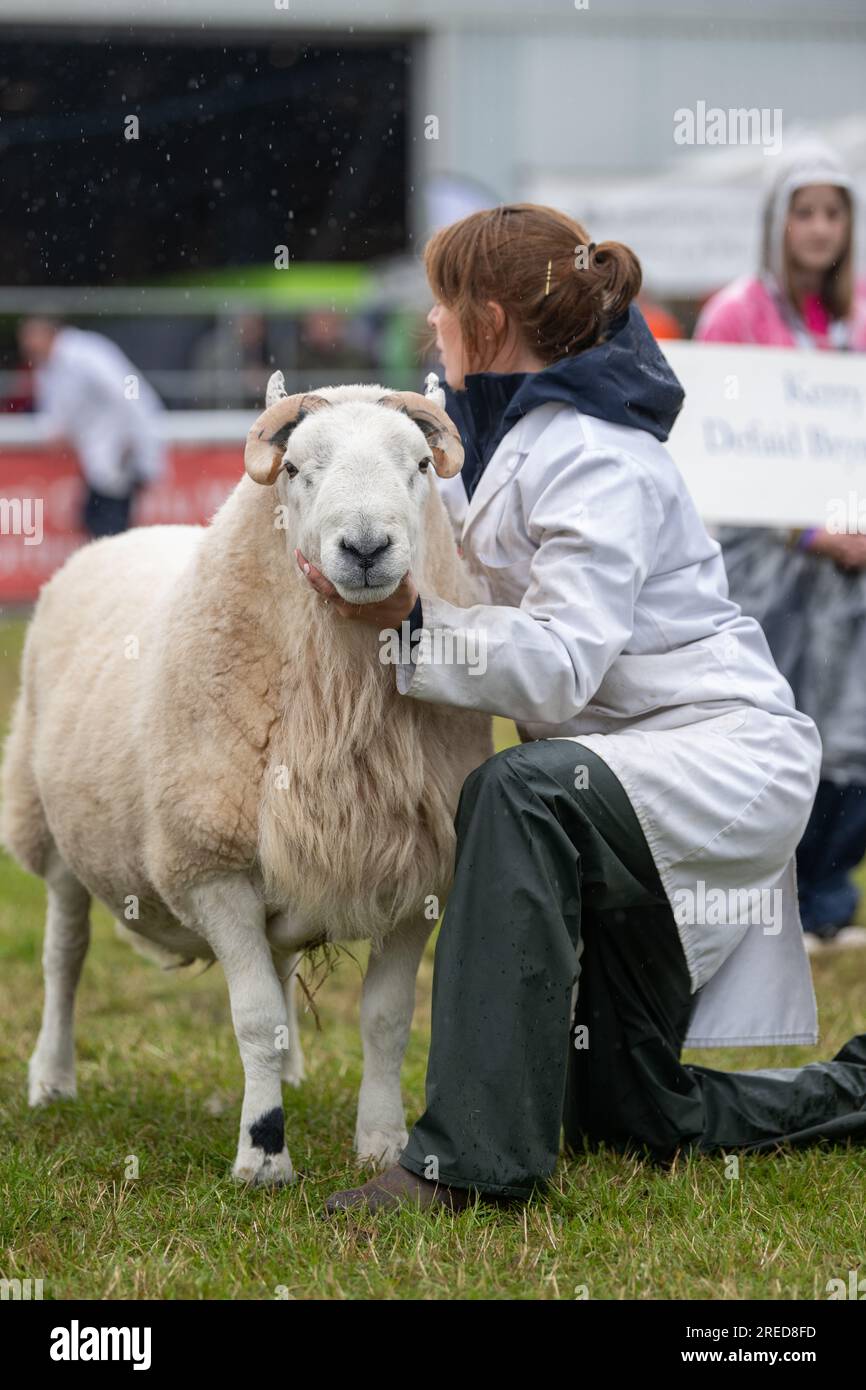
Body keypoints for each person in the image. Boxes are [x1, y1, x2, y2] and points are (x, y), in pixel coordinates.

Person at [294, 204, 866, 1213]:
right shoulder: (508, 434)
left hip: (712, 761)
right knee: (633, 1113)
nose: (430, 321)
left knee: (517, 794)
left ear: (487, 316)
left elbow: (560, 666)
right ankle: (855, 1088)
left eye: (442, 301)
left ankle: (468, 1163)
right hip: (628, 776)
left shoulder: (598, 456)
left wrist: (411, 624)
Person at [695, 139, 866, 953]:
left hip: (853, 569)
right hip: (770, 564)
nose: (821, 228)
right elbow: (724, 445)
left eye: (834, 212)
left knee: (851, 726)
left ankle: (827, 902)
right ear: (779, 222)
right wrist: (809, 529)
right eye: (806, 211)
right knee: (774, 724)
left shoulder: (861, 313)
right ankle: (769, 903)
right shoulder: (735, 314)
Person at [18, 317, 167, 538]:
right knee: (95, 520)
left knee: (108, 524)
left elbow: (126, 387)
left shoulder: (85, 355)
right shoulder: (51, 366)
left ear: (48, 334)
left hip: (120, 448)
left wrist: (132, 436)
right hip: (101, 453)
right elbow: (58, 414)